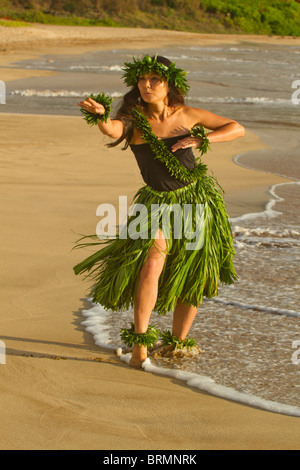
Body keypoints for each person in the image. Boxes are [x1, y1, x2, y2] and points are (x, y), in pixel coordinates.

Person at [74, 54, 245, 369]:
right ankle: (140, 346)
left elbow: (236, 128)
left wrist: (204, 137)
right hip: (154, 204)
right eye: (143, 80)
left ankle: (178, 343)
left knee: (194, 271)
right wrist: (99, 115)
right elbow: (112, 130)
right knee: (152, 265)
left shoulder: (186, 114)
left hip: (195, 201)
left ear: (170, 85)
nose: (147, 85)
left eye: (155, 80)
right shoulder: (134, 118)